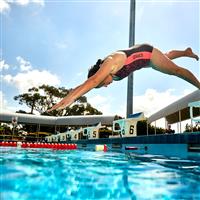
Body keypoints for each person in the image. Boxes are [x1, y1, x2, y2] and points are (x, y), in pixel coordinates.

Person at [48, 44, 200, 111]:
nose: (107, 86)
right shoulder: (107, 75)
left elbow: (92, 81)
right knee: (166, 57)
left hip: (146, 53)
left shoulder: (110, 63)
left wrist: (71, 99)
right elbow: (86, 84)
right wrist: (68, 95)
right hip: (142, 61)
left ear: (101, 75)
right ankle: (185, 52)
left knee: (176, 71)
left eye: (103, 84)